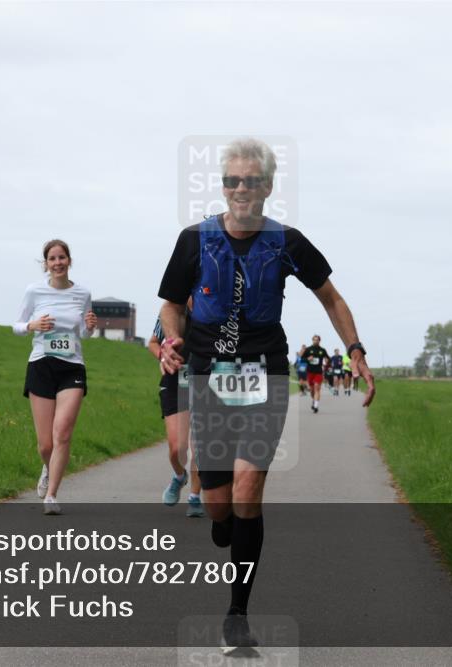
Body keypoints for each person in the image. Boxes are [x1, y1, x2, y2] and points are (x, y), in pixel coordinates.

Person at [157, 138, 375, 653]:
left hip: (266, 376)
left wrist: (355, 350)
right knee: (218, 507)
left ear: (268, 187)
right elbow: (169, 302)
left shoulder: (287, 242)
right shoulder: (194, 240)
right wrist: (171, 342)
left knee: (248, 486)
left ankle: (237, 613)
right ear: (223, 185)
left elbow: (331, 296)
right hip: (209, 375)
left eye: (250, 181)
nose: (239, 190)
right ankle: (223, 521)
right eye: (231, 181)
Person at [13, 239, 97, 516]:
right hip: (41, 365)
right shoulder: (34, 291)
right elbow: (17, 327)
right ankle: (48, 469)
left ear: (69, 261)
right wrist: (32, 325)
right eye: (52, 259)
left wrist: (89, 327)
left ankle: (51, 496)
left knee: (62, 433)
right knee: (45, 443)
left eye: (62, 258)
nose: (58, 263)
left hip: (72, 367)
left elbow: (84, 334)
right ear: (46, 264)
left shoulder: (82, 293)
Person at [148, 311, 204, 517]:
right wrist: (164, 355)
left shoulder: (212, 310)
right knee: (176, 448)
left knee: (198, 445)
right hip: (174, 382)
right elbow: (153, 342)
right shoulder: (170, 312)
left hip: (204, 383)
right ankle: (180, 477)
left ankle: (195, 497)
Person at [302, 335, 329, 412]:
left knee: (317, 387)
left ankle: (316, 406)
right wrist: (307, 358)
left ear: (319, 341)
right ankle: (314, 400)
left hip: (318, 372)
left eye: (317, 340)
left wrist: (327, 360)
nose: (315, 341)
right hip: (310, 372)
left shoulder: (322, 350)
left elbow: (327, 358)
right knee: (312, 390)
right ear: (312, 340)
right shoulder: (308, 349)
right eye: (314, 340)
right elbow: (302, 359)